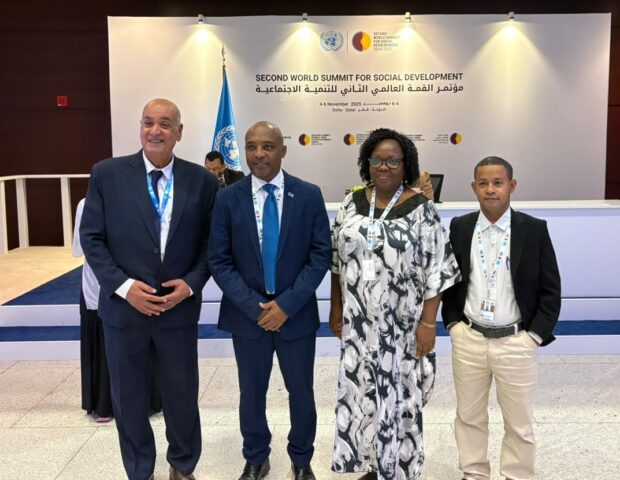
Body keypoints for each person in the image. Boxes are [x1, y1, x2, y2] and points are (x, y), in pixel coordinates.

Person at [80, 98, 218, 480]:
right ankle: (140, 469)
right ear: (140, 128)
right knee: (128, 397)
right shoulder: (107, 174)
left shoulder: (202, 181)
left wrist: (191, 284)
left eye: (165, 123)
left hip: (177, 309)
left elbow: (213, 244)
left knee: (182, 394)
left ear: (179, 132)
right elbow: (92, 238)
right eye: (148, 122)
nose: (155, 130)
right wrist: (124, 287)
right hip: (125, 310)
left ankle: (182, 465)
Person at [329, 128, 461, 480]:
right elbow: (337, 262)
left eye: (392, 161)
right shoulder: (351, 203)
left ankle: (399, 467)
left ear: (406, 165)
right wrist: (336, 307)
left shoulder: (421, 209)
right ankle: (372, 464)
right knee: (362, 392)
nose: (383, 167)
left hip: (402, 324)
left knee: (400, 394)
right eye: (377, 160)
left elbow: (437, 270)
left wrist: (428, 324)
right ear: (366, 163)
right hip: (358, 324)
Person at [207, 121, 331, 480]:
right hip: (248, 316)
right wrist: (255, 307)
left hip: (296, 314)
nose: (259, 154)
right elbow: (219, 260)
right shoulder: (227, 198)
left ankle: (301, 458)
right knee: (251, 392)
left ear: (283, 150)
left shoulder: (308, 194)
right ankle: (256, 457)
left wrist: (286, 306)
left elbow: (320, 255)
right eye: (251, 147)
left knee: (301, 392)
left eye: (268, 146)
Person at [441, 156, 561, 480]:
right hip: (470, 338)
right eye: (483, 183)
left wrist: (533, 336)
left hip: (516, 342)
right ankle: (473, 473)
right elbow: (451, 281)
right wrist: (453, 324)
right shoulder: (461, 227)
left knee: (519, 423)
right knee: (468, 417)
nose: (490, 189)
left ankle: (517, 475)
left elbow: (551, 289)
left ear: (512, 186)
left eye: (497, 183)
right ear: (474, 188)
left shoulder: (533, 229)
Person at [72, 198, 161, 424]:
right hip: (101, 281)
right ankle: (103, 403)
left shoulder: (144, 199)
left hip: (138, 281)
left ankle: (145, 401)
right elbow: (83, 247)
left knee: (138, 341)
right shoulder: (87, 204)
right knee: (102, 340)